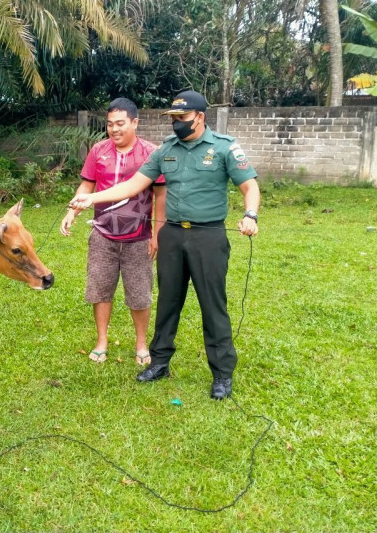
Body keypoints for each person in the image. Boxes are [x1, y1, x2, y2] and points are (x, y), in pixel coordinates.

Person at [68, 90, 260, 399]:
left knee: (212, 305)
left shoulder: (224, 147)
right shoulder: (165, 150)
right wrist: (91, 198)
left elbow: (249, 186)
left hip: (208, 236)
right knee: (168, 302)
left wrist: (250, 215)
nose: (176, 123)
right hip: (172, 234)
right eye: (173, 118)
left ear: (199, 117)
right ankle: (159, 362)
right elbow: (133, 185)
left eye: (182, 118)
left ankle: (222, 373)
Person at [61, 97, 166, 365]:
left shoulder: (151, 153)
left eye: (120, 123)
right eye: (110, 124)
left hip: (139, 237)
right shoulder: (98, 150)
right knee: (100, 289)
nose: (114, 129)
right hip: (102, 235)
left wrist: (157, 234)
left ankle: (141, 344)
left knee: (139, 293)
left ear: (135, 122)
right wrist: (72, 211)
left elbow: (161, 195)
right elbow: (87, 185)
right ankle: (101, 341)